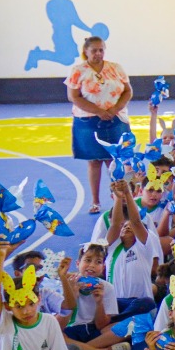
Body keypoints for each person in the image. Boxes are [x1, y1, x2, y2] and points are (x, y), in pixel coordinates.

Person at [66, 34, 132, 215]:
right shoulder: (78, 70)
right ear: (85, 51)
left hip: (115, 119)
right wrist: (98, 111)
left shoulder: (116, 68)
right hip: (88, 121)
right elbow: (74, 96)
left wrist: (115, 108)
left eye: (101, 50)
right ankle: (95, 200)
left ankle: (118, 198)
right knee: (94, 162)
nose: (98, 53)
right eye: (94, 50)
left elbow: (127, 91)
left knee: (115, 160)